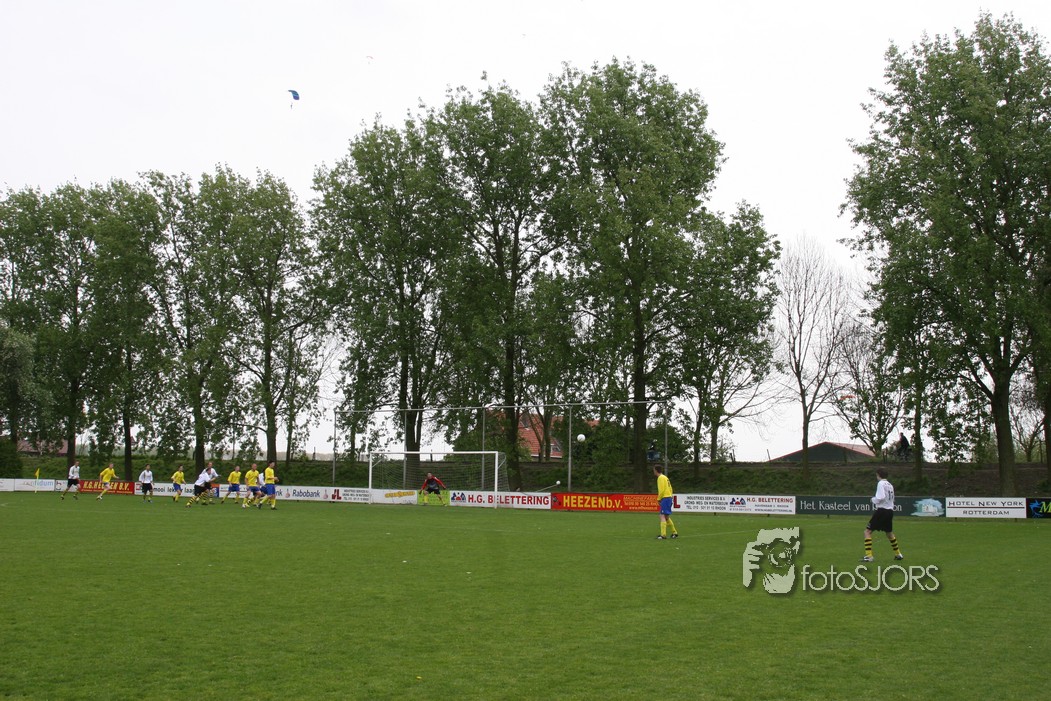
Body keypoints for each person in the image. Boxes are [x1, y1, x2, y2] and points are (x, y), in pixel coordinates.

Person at [862, 467, 904, 562]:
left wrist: (873, 500)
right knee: (889, 533)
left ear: (878, 475)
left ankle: (869, 556)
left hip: (882, 510)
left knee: (867, 532)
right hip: (889, 511)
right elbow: (892, 499)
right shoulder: (890, 485)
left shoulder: (880, 483)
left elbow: (880, 497)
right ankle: (898, 554)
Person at [653, 464, 679, 540]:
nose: (653, 472)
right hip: (669, 497)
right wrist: (670, 496)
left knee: (662, 516)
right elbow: (670, 488)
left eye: (654, 470)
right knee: (666, 517)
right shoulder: (665, 477)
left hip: (665, 498)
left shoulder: (660, 478)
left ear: (656, 470)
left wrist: (659, 499)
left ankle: (663, 535)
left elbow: (661, 490)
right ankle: (674, 533)